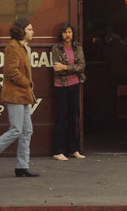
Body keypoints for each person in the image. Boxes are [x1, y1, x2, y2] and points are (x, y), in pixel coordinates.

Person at [0, 17, 39, 177]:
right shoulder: (13, 47)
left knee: (27, 130)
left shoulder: (22, 47)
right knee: (17, 129)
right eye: (30, 29)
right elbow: (11, 71)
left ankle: (22, 167)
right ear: (22, 31)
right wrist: (27, 83)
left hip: (23, 95)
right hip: (15, 95)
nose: (33, 32)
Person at [51, 22, 87, 161]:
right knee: (61, 118)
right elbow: (56, 68)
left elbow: (82, 66)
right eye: (65, 32)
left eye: (70, 32)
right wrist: (71, 67)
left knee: (74, 117)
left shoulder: (78, 47)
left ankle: (73, 149)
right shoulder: (56, 49)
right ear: (61, 34)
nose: (68, 35)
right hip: (61, 86)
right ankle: (58, 151)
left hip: (75, 85)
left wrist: (65, 67)